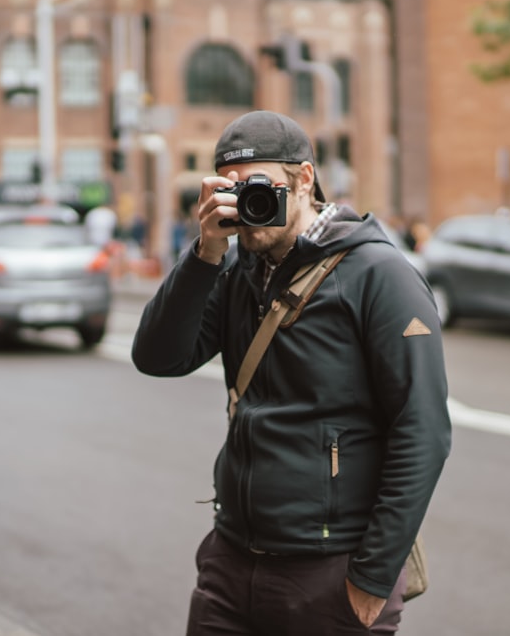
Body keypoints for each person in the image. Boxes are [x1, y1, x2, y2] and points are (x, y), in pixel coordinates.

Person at [132, 110, 451, 635]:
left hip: (329, 573)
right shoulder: (236, 271)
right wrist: (206, 252)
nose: (251, 204)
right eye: (233, 191)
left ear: (304, 180)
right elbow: (158, 357)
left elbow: (423, 433)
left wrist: (371, 580)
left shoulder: (378, 275)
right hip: (231, 562)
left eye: (262, 187)